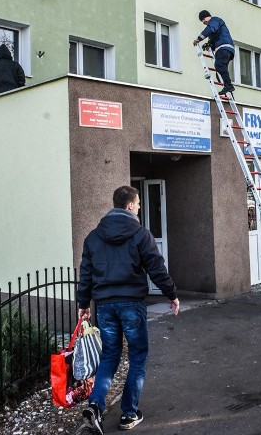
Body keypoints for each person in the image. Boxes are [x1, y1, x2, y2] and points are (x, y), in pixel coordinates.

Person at [77, 185, 180, 433]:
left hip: (105, 307)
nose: (139, 208)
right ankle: (129, 414)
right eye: (138, 204)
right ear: (130, 206)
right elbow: (156, 267)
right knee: (137, 356)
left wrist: (83, 305)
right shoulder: (140, 234)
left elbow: (86, 275)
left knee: (109, 356)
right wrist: (172, 294)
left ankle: (95, 405)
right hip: (132, 304)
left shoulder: (93, 237)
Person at [192, 10, 236, 95]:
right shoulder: (215, 28)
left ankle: (228, 85)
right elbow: (214, 38)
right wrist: (209, 44)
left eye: (204, 19)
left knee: (219, 65)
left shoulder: (215, 20)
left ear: (208, 16)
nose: (203, 22)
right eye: (202, 21)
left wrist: (199, 39)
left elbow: (210, 29)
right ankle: (228, 87)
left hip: (223, 47)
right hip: (227, 49)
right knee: (222, 68)